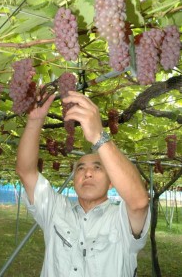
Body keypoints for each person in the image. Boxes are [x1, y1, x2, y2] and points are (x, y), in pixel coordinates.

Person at [16, 91, 150, 277]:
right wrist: (34, 121)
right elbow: (26, 172)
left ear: (112, 183)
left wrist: (99, 137)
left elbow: (139, 202)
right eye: (80, 169)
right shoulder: (55, 210)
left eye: (97, 167)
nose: (87, 173)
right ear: (73, 181)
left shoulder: (121, 219)